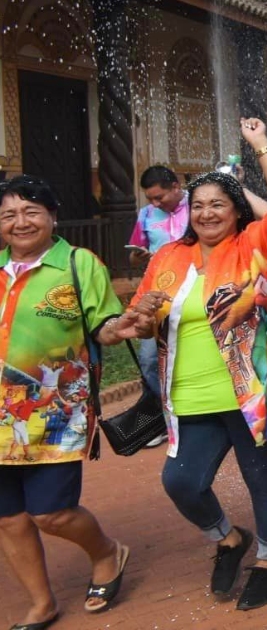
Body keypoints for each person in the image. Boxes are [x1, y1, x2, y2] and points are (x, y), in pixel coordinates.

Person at [128, 118, 267, 611]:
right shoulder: (168, 254)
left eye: (218, 204)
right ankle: (228, 540)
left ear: (237, 210)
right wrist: (135, 322)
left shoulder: (257, 246)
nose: (206, 213)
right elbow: (145, 314)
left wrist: (260, 144)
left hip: (254, 392)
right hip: (189, 395)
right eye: (199, 205)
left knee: (261, 478)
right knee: (181, 481)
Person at [0, 175, 149, 629]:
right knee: (8, 518)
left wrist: (117, 328)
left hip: (55, 410)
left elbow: (103, 325)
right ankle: (41, 603)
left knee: (51, 512)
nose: (20, 222)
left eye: (31, 211)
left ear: (52, 216)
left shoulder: (78, 264)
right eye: (8, 214)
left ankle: (107, 552)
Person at [128, 165, 190, 448]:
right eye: (150, 199)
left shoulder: (198, 205)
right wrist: (139, 258)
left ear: (176, 187)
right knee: (150, 360)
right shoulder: (146, 215)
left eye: (159, 197)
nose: (154, 203)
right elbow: (133, 255)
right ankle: (163, 417)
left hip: (192, 295)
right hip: (156, 299)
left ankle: (191, 416)